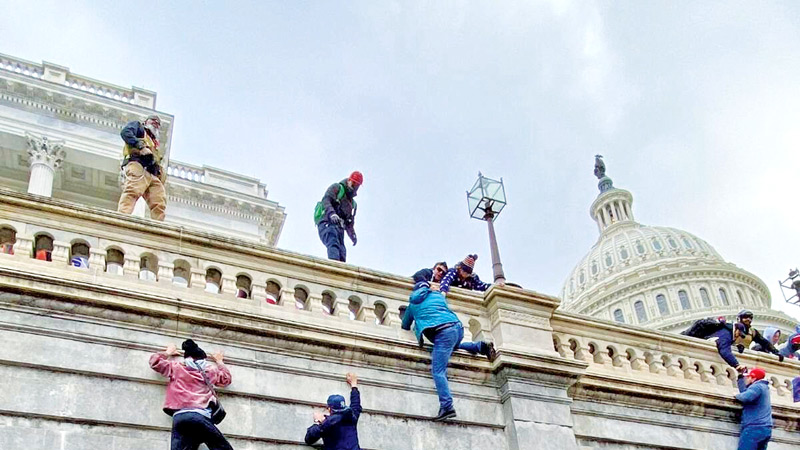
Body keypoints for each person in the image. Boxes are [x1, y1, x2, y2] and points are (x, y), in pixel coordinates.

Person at [401, 281, 496, 421]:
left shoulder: (412, 304)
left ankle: (447, 406)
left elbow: (404, 325)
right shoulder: (437, 295)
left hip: (442, 333)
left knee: (438, 371)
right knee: (452, 347)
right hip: (457, 328)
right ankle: (480, 347)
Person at [149, 339, 233, 450]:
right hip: (200, 417)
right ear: (203, 358)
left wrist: (168, 352)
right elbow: (226, 379)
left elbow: (154, 362)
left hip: (179, 418)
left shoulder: (176, 367)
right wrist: (219, 361)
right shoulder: (210, 371)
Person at [681, 311, 782, 371]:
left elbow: (763, 342)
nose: (748, 320)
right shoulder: (725, 333)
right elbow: (724, 350)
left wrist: (776, 352)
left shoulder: (752, 332)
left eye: (750, 318)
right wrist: (737, 365)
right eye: (745, 318)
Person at [118, 115, 167, 220]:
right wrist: (140, 146)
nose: (156, 123)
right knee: (132, 191)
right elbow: (125, 133)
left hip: (152, 173)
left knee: (159, 201)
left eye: (158, 123)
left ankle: (159, 227)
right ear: (146, 122)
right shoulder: (139, 127)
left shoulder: (154, 144)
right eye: (153, 120)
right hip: (138, 165)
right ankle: (122, 217)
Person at [305, 372, 362, 450]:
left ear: (329, 409)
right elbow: (356, 405)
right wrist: (354, 385)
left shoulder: (328, 423)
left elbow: (309, 439)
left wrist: (318, 421)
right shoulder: (351, 417)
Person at [314, 172, 362, 262]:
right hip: (327, 222)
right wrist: (332, 213)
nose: (354, 186)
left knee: (342, 251)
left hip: (339, 227)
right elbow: (326, 200)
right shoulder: (337, 188)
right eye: (353, 182)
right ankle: (333, 268)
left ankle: (341, 270)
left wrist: (352, 234)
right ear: (349, 180)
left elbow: (349, 223)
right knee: (333, 242)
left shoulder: (352, 204)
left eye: (356, 184)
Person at [734, 367, 772, 450]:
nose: (746, 379)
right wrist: (740, 378)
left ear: (753, 378)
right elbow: (746, 391)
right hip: (765, 428)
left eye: (748, 377)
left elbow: (746, 397)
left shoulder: (757, 386)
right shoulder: (764, 387)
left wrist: (736, 396)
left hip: (754, 427)